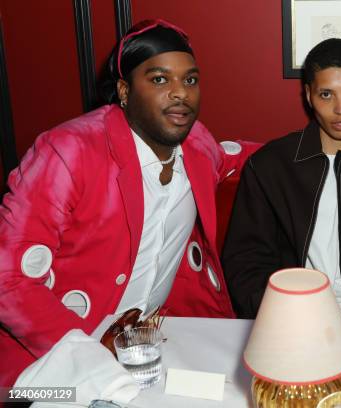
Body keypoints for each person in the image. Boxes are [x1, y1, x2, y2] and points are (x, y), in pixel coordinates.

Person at [0, 19, 259, 387]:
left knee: (228, 393)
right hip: (47, 364)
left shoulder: (198, 147)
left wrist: (322, 148)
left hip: (151, 349)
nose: (180, 93)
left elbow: (246, 158)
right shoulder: (68, 152)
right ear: (124, 90)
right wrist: (89, 357)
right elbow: (8, 278)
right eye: (159, 79)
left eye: (190, 80)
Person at [222, 38, 341, 321]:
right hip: (292, 316)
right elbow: (245, 260)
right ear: (308, 95)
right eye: (326, 95)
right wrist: (276, 312)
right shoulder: (271, 165)